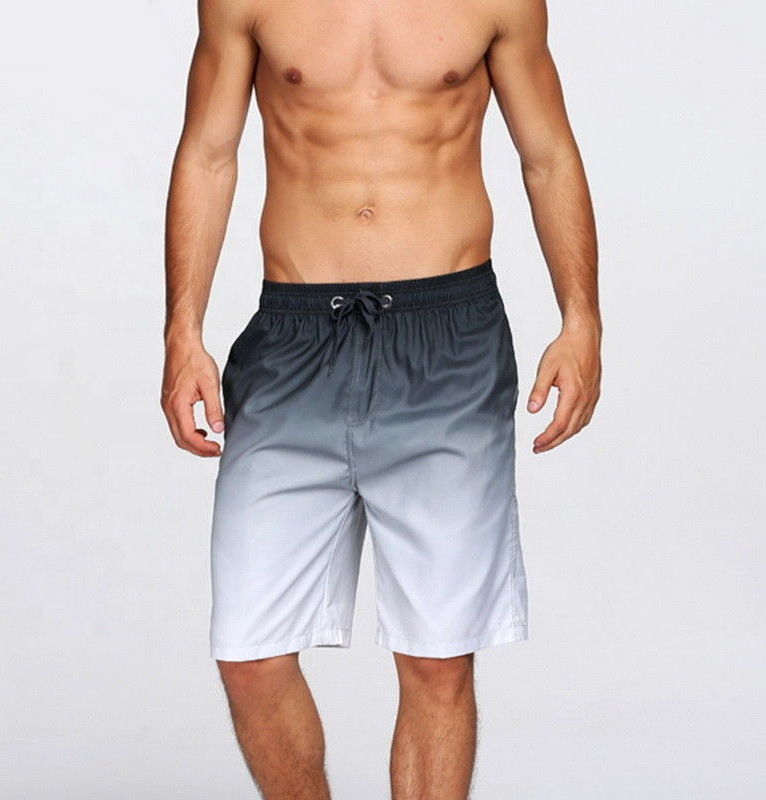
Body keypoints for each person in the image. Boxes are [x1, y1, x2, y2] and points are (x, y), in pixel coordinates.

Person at [161, 0, 602, 796]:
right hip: (294, 338)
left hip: (447, 341)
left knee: (436, 658)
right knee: (249, 655)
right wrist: (181, 329)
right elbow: (209, 153)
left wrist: (582, 318)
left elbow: (548, 155)